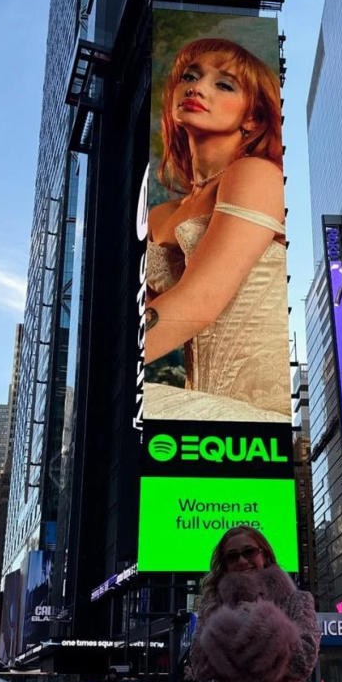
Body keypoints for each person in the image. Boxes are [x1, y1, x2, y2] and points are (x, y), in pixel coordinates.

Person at [145, 37, 290, 423]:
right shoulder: (161, 215)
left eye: (223, 84)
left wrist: (105, 365)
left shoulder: (257, 174)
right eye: (190, 77)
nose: (197, 87)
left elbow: (200, 301)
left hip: (257, 415)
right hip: (203, 411)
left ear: (253, 118)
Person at [188, 525, 322, 682]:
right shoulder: (212, 606)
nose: (242, 560)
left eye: (249, 552)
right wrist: (234, 625)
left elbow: (304, 661)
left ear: (265, 555)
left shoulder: (297, 601)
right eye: (232, 556)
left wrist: (258, 625)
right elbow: (200, 666)